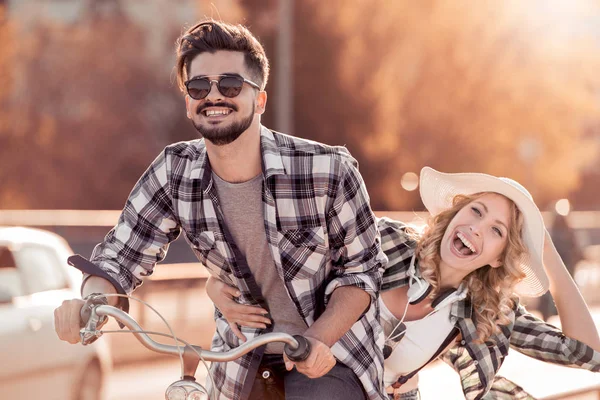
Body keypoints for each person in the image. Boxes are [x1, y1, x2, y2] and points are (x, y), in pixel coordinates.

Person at [53, 20, 388, 400]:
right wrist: (91, 304)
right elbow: (121, 255)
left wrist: (316, 340)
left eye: (229, 85)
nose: (213, 96)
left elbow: (363, 272)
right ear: (188, 102)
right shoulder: (174, 171)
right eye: (199, 87)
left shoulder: (327, 169)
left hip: (331, 357)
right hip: (240, 359)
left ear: (259, 99)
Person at [207, 167, 600, 399]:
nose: (476, 228)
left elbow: (588, 354)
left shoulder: (486, 314)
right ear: (455, 214)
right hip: (280, 382)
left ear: (499, 255)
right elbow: (283, 253)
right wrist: (215, 286)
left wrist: (547, 253)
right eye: (475, 211)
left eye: (496, 230)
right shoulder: (385, 240)